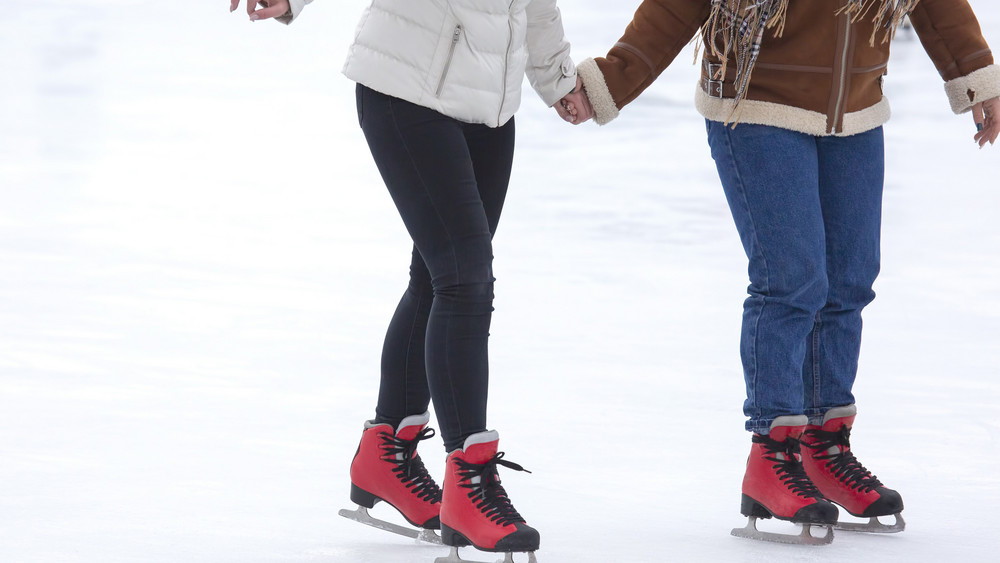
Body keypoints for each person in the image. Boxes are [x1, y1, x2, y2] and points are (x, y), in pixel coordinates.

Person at [564, 0, 1000, 544]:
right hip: (756, 103)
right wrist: (610, 81)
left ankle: (824, 447)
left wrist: (975, 73)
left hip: (856, 108)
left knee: (850, 280)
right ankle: (772, 454)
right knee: (792, 282)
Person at [231, 1, 586, 561]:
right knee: (465, 282)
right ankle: (471, 482)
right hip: (407, 86)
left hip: (489, 104)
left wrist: (558, 77)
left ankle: (386, 454)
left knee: (440, 276)